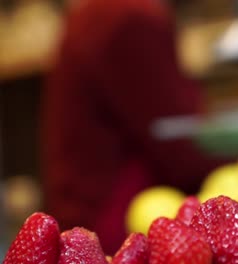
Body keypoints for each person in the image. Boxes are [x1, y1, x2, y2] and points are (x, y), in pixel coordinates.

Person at [41, 0, 228, 254]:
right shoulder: (127, 17)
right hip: (114, 231)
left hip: (91, 226)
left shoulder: (105, 12)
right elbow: (182, 152)